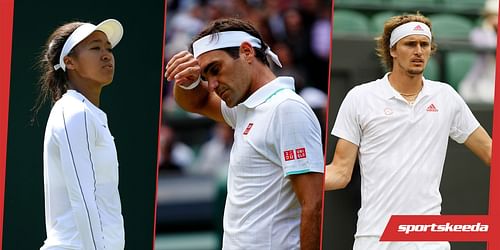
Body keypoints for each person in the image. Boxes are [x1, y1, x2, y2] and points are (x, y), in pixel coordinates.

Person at [325, 13, 492, 250]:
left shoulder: (446, 97)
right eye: (410, 44)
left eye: (424, 44)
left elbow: (489, 151)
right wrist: (297, 177)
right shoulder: (360, 97)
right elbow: (340, 172)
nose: (419, 51)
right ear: (393, 49)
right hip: (375, 238)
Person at [165, 18, 324, 250]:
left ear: (247, 52)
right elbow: (196, 102)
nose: (212, 85)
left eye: (215, 69)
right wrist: (186, 81)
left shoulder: (286, 109)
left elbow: (313, 205)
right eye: (205, 77)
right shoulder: (245, 110)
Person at [33, 19, 125, 250]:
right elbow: (83, 198)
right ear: (69, 62)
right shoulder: (75, 112)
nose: (106, 55)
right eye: (95, 48)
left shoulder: (88, 114)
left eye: (108, 48)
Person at [459, 0, 498, 103]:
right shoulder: (478, 33)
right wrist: (489, 29)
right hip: (482, 81)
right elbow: (491, 45)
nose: (495, 20)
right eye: (493, 16)